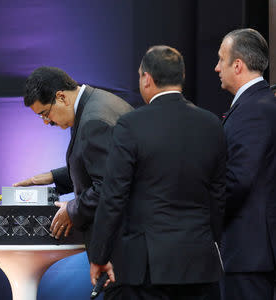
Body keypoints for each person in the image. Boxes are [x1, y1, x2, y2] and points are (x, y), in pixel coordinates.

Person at [89, 45, 227, 299]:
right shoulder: (212, 125)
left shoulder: (131, 125)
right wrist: (208, 241)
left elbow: (113, 197)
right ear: (181, 77)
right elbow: (218, 197)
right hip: (200, 264)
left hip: (148, 269)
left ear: (147, 78)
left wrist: (99, 255)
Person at [13, 66, 133, 298]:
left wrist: (72, 209)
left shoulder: (93, 121)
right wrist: (50, 177)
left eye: (45, 114)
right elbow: (99, 164)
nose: (46, 122)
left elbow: (108, 187)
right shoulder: (97, 102)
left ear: (61, 97)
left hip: (121, 245)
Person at [214, 28, 276, 300]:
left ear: (237, 65)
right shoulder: (258, 103)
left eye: (220, 59)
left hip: (249, 252)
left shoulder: (254, 109)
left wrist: (206, 216)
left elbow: (238, 179)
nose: (217, 68)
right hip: (250, 251)